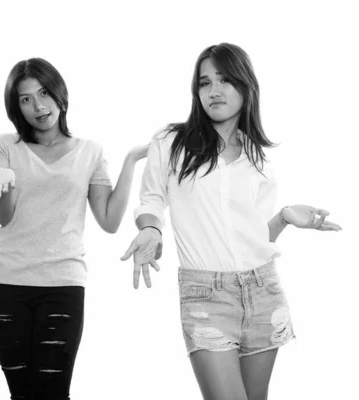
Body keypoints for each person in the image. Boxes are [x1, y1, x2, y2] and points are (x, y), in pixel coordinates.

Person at [121, 43, 342, 400]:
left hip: (263, 290)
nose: (214, 91)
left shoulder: (257, 159)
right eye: (205, 83)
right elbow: (152, 199)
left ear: (246, 86)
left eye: (224, 80)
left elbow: (249, 239)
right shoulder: (171, 141)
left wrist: (284, 217)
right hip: (205, 296)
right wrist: (150, 228)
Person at [0, 57, 148, 400]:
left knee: (53, 392)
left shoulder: (91, 151)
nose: (38, 106)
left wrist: (130, 161)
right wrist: (5, 183)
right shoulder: (2, 147)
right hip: (6, 283)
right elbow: (1, 216)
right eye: (25, 99)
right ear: (16, 107)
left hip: (63, 284)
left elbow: (110, 221)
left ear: (59, 93)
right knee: (22, 394)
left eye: (43, 93)